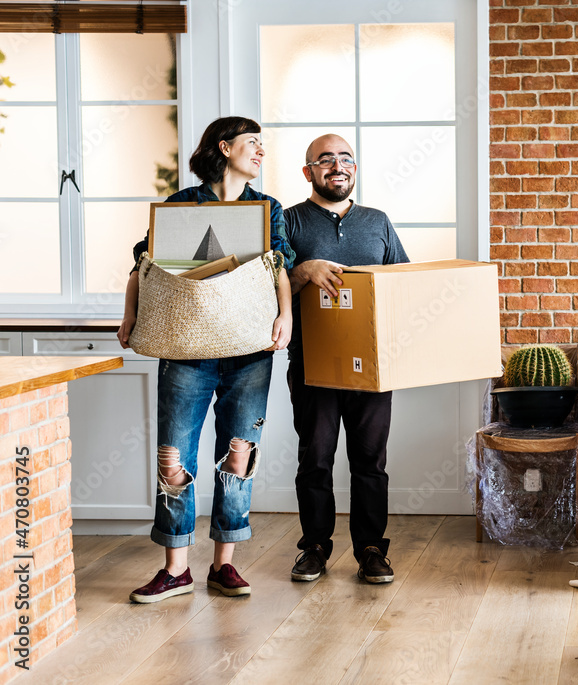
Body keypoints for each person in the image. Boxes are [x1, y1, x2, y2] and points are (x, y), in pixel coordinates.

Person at [117, 116, 295, 603]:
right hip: (185, 347)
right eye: (251, 143)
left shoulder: (267, 208)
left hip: (250, 349)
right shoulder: (180, 205)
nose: (260, 152)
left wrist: (286, 317)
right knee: (174, 455)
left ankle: (224, 565)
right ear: (225, 147)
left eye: (263, 145)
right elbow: (143, 266)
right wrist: (129, 317)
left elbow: (279, 266)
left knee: (238, 455)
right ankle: (176, 569)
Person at [284, 133, 408, 584]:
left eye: (346, 159)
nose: (338, 166)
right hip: (313, 365)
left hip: (373, 366)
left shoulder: (378, 222)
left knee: (370, 461)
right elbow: (268, 288)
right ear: (308, 171)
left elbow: (403, 286)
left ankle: (372, 549)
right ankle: (314, 547)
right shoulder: (289, 221)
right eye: (326, 160)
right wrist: (304, 270)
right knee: (315, 458)